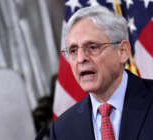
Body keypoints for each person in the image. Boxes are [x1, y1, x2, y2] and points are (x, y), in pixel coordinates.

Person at [49, 5, 153, 140]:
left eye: (92, 47)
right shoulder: (62, 129)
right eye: (73, 50)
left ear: (122, 51)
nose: (81, 59)